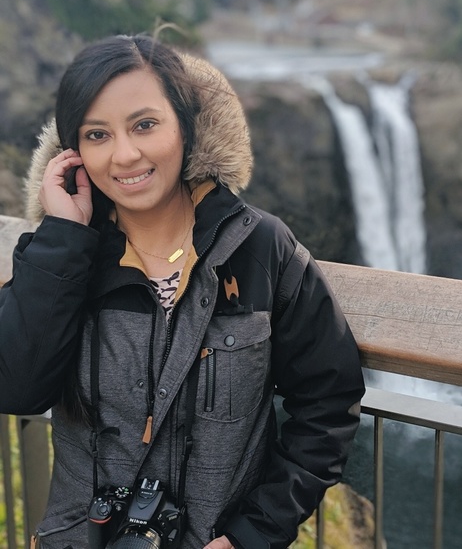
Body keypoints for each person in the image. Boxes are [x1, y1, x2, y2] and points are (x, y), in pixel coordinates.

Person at [0, 34, 365, 549]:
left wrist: (253, 534)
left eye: (145, 125)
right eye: (97, 134)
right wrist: (63, 238)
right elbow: (15, 388)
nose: (125, 155)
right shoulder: (65, 254)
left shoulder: (259, 249)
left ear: (186, 126)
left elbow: (328, 401)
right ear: (73, 153)